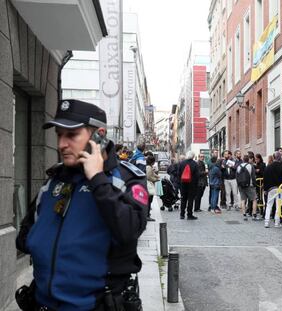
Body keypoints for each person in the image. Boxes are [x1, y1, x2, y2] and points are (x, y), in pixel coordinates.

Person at [16, 99, 148, 310]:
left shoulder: (125, 179)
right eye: (59, 134)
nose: (61, 144)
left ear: (100, 136)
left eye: (72, 135)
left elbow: (130, 230)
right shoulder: (55, 179)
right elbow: (26, 234)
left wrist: (97, 179)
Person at [178, 151, 199, 220]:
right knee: (190, 200)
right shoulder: (195, 164)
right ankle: (189, 215)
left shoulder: (182, 163)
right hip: (192, 185)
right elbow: (197, 176)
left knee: (183, 199)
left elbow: (178, 174)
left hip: (183, 184)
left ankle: (182, 214)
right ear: (193, 156)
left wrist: (180, 183)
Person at [237, 155, 258, 221]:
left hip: (241, 186)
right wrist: (255, 185)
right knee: (254, 199)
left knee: (243, 200)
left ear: (243, 159)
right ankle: (254, 215)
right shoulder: (250, 166)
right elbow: (253, 177)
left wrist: (238, 185)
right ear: (248, 160)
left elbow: (236, 176)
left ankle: (244, 215)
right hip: (250, 186)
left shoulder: (238, 167)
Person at [146, 154, 159, 221]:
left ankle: (147, 214)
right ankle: (147, 215)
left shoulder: (149, 167)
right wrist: (155, 179)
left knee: (149, 200)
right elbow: (148, 177)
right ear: (152, 162)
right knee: (149, 200)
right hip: (148, 185)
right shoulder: (148, 167)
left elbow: (152, 174)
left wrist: (157, 176)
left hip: (149, 184)